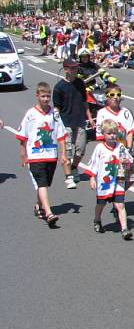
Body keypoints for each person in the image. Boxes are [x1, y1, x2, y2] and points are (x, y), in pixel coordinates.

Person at [15, 81, 68, 228]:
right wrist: (23, 154)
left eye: (48, 96)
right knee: (42, 183)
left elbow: (61, 134)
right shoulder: (31, 114)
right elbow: (23, 136)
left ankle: (38, 206)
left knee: (44, 184)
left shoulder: (54, 114)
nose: (46, 99)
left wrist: (63, 153)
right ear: (37, 96)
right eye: (43, 96)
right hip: (35, 155)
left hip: (51, 154)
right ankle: (49, 213)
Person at [85, 119, 133, 239]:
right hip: (104, 181)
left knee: (120, 205)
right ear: (104, 134)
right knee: (101, 204)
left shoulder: (121, 147)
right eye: (109, 133)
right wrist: (92, 178)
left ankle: (125, 229)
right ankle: (97, 219)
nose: (112, 136)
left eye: (114, 133)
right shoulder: (99, 148)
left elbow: (129, 160)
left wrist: (126, 161)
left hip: (118, 180)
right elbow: (94, 164)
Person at [53, 59, 92, 190]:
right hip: (66, 123)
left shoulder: (80, 83)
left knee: (81, 150)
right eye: (72, 68)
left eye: (76, 68)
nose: (75, 70)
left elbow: (84, 102)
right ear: (66, 70)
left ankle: (74, 167)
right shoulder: (59, 87)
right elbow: (57, 107)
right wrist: (56, 119)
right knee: (67, 152)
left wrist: (90, 117)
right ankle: (68, 176)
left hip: (80, 121)